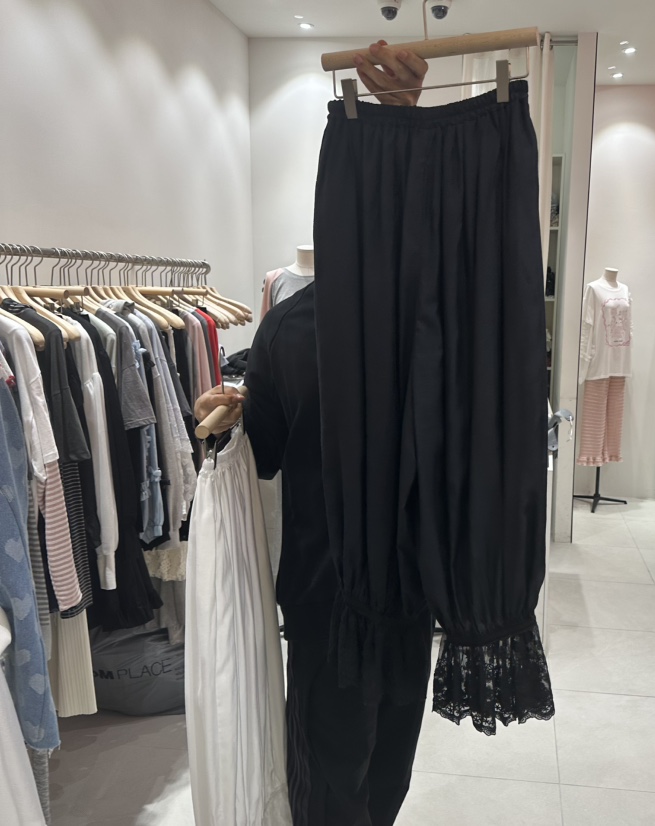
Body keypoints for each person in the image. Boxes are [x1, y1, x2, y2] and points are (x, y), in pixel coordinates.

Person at [194, 42, 430, 826]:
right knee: (374, 755)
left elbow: (261, 453)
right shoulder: (420, 322)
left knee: (348, 762)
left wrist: (233, 417)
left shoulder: (304, 324)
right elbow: (260, 446)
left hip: (347, 587)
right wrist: (229, 413)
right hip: (385, 583)